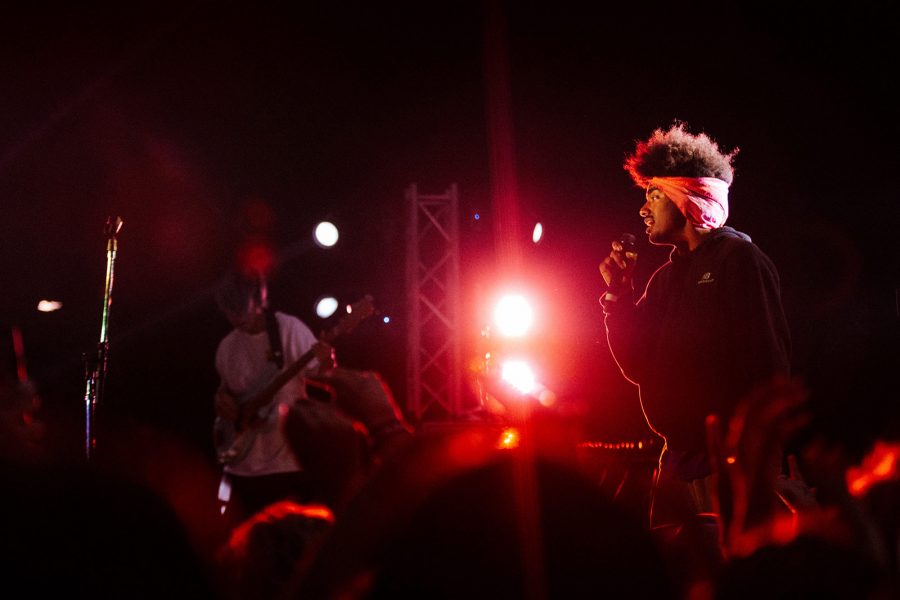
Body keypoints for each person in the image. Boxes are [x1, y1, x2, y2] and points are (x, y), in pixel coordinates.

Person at [598, 122, 792, 581]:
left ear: (688, 198)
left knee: (735, 581)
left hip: (730, 465)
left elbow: (769, 367)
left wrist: (756, 461)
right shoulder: (665, 278)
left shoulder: (738, 261)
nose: (643, 210)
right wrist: (618, 298)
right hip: (678, 461)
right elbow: (636, 366)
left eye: (654, 196)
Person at [212, 270, 334, 525]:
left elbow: (323, 375)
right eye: (229, 311)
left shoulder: (288, 329)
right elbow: (226, 392)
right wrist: (223, 402)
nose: (236, 317)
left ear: (260, 301)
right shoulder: (226, 347)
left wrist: (327, 360)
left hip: (286, 464)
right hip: (241, 467)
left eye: (241, 309)